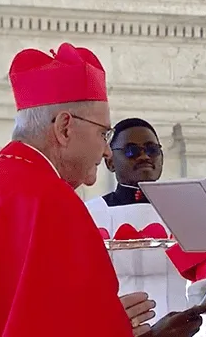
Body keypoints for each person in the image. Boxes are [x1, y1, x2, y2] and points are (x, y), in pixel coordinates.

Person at [0, 42, 206, 337]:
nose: (106, 150)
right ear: (65, 128)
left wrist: (102, 317)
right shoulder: (51, 200)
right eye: (102, 133)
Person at [85, 118, 189, 330]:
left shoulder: (186, 210)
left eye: (152, 149)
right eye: (131, 150)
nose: (144, 156)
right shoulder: (88, 214)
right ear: (110, 161)